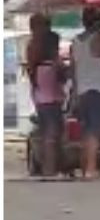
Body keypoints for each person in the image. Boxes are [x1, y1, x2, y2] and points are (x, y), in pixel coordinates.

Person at [70, 7, 100, 179]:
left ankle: (85, 166)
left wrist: (74, 92)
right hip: (98, 88)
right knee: (95, 130)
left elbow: (73, 69)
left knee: (86, 131)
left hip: (82, 89)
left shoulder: (75, 41)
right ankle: (91, 168)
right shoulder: (98, 39)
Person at [25, 13, 64, 178]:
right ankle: (51, 168)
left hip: (40, 95)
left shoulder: (32, 48)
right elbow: (61, 76)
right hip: (51, 96)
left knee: (47, 131)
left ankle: (49, 168)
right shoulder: (50, 61)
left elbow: (31, 73)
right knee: (52, 132)